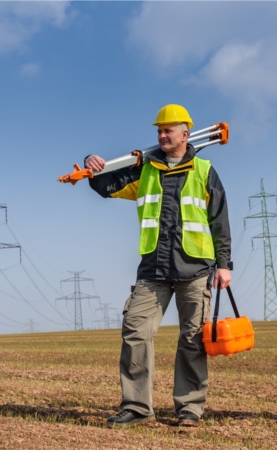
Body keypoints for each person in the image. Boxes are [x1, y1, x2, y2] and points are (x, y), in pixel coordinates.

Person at [84, 104, 232, 427]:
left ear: (185, 133)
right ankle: (137, 408)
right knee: (135, 329)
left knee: (192, 339)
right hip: (153, 270)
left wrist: (224, 264)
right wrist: (91, 167)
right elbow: (107, 186)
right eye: (159, 130)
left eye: (169, 130)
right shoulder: (145, 170)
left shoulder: (205, 171)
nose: (162, 135)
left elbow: (220, 221)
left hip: (195, 268)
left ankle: (189, 409)